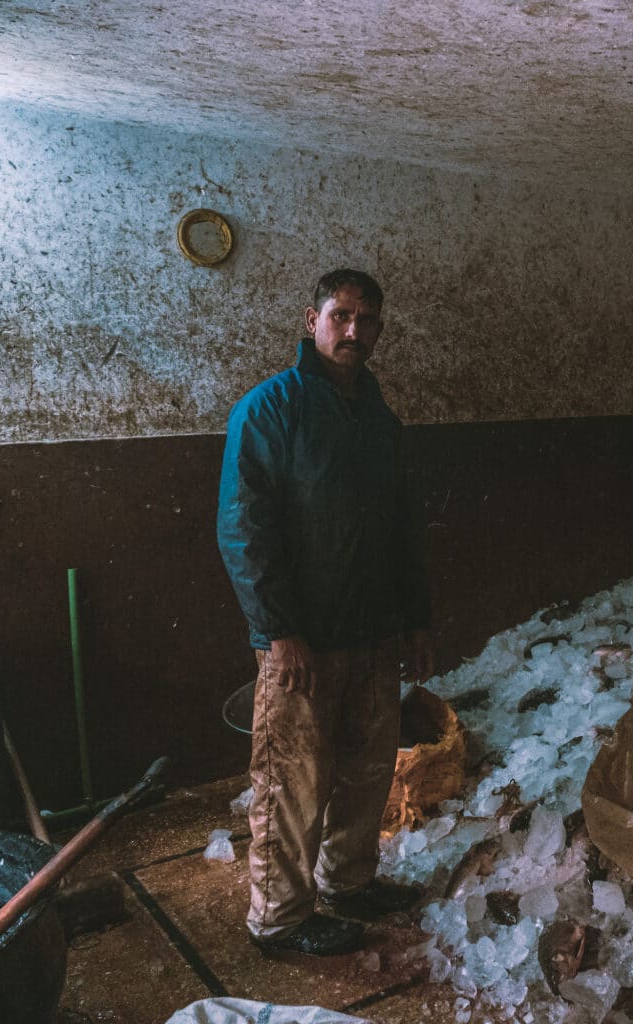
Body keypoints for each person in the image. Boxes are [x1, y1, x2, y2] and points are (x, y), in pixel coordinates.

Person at [217, 268, 435, 956]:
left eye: (368, 321)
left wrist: (416, 619)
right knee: (292, 780)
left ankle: (349, 882)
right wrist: (279, 632)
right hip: (302, 642)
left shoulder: (379, 420)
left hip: (371, 634)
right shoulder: (270, 410)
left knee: (368, 772)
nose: (354, 332)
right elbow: (244, 529)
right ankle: (279, 918)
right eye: (341, 316)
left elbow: (402, 529)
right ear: (310, 318)